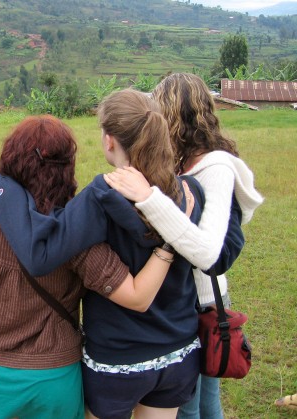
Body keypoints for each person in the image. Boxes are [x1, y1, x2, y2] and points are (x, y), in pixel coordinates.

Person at [0, 89, 220, 419]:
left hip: (118, 361)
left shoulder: (101, 196)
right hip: (178, 353)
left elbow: (40, 255)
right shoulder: (189, 191)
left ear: (109, 140)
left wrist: (0, 185)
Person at [0, 114, 181, 419]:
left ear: (10, 157)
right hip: (54, 373)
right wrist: (170, 242)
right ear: (66, 168)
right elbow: (137, 297)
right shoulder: (73, 227)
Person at [103, 73, 264, 419]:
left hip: (201, 302)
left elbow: (206, 252)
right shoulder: (183, 163)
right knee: (202, 403)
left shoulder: (215, 167)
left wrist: (148, 199)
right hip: (186, 299)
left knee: (188, 407)